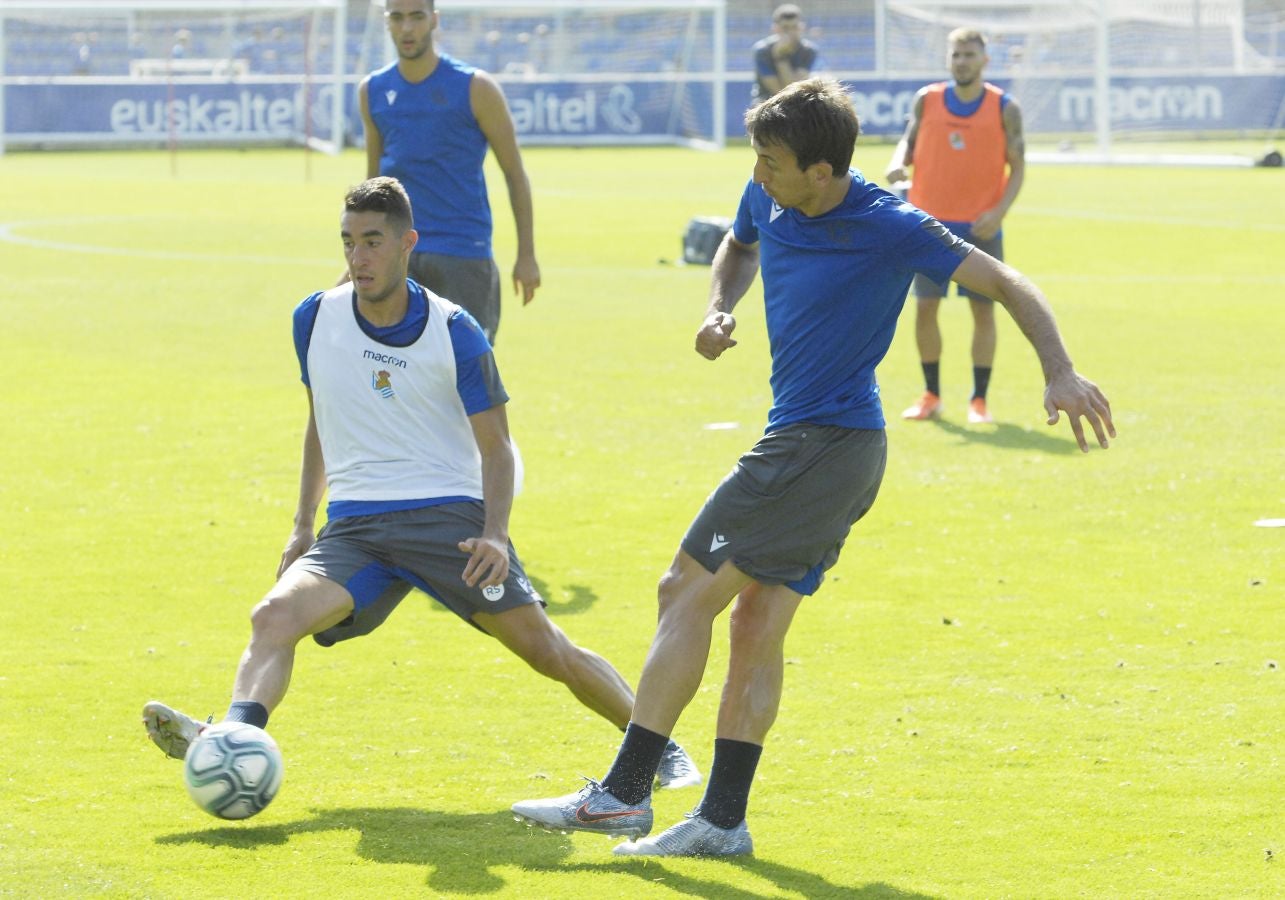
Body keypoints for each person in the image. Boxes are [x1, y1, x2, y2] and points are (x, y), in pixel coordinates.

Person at [510, 77, 1113, 858]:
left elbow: (1002, 280)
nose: (757, 174)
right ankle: (721, 821)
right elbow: (738, 243)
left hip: (820, 446)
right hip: (824, 447)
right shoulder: (768, 192)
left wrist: (1059, 370)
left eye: (772, 164)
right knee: (754, 622)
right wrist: (718, 305)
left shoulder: (889, 223)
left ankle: (623, 795)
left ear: (821, 173)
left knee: (682, 589)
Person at [142, 177, 699, 794]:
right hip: (355, 529)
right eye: (348, 242)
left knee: (547, 651)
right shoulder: (314, 318)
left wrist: (495, 533)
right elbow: (321, 419)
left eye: (372, 242)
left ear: (407, 243)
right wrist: (302, 525)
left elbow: (498, 447)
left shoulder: (455, 330)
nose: (358, 258)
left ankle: (658, 748)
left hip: (448, 523)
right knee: (273, 616)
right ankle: (232, 739)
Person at [357, 0, 540, 345]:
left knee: (466, 369)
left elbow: (515, 174)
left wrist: (526, 254)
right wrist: (361, 255)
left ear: (434, 20)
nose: (407, 28)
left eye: (417, 17)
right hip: (398, 256)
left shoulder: (476, 88)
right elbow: (373, 189)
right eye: (397, 17)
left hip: (463, 254)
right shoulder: (373, 91)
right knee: (394, 367)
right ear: (387, 22)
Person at [886, 28, 1026, 425]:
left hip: (980, 228)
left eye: (969, 55)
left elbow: (1018, 167)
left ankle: (979, 401)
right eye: (956, 55)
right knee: (925, 308)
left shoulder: (1004, 108)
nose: (962, 61)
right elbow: (908, 142)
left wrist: (999, 212)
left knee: (983, 312)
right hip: (927, 225)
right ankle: (931, 395)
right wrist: (897, 162)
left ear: (985, 60)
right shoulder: (927, 99)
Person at [750, 4, 819, 107]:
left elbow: (794, 89)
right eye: (785, 28)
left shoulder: (808, 50)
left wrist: (781, 57)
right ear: (775, 29)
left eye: (794, 27)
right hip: (765, 104)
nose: (791, 32)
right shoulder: (762, 51)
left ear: (802, 27)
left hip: (795, 103)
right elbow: (778, 91)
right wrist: (779, 56)